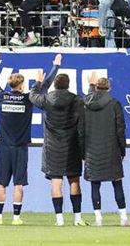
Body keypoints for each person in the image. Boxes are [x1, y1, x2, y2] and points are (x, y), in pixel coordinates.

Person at [0, 51, 58, 225]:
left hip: (4, 147)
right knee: (18, 183)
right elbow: (44, 86)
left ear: (10, 85)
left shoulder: (2, 97)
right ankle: (16, 218)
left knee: (1, 183)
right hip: (20, 147)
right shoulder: (27, 99)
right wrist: (55, 67)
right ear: (21, 85)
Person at [28, 54, 83, 226]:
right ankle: (77, 218)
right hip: (72, 145)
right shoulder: (76, 100)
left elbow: (32, 95)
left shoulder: (46, 99)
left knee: (56, 181)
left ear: (55, 85)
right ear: (68, 85)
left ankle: (59, 219)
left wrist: (38, 82)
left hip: (52, 147)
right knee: (74, 180)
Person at [80, 72, 130, 227]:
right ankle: (123, 218)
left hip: (91, 149)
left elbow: (81, 129)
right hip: (111, 150)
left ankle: (98, 219)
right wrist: (122, 150)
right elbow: (120, 129)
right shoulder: (114, 104)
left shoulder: (86, 103)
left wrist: (83, 151)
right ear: (109, 88)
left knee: (94, 184)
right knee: (117, 183)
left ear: (96, 87)